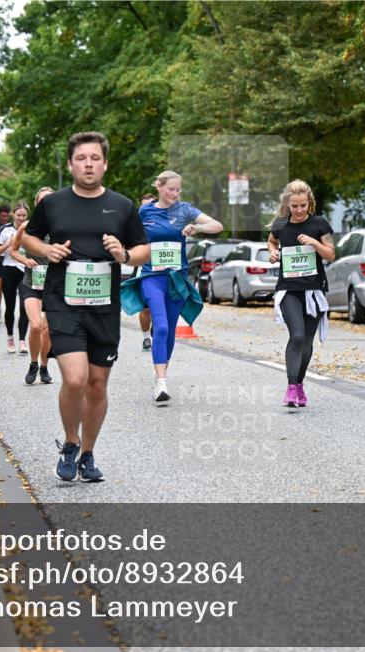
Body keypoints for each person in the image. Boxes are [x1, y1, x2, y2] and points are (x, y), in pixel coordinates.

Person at [24, 132, 149, 482]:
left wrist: (123, 254)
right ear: (70, 164)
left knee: (96, 384)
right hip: (63, 301)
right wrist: (45, 251)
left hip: (104, 306)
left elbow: (143, 250)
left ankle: (88, 454)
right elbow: (30, 237)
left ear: (105, 163)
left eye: (95, 158)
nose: (88, 163)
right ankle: (69, 442)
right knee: (76, 378)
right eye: (81, 158)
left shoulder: (123, 206)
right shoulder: (53, 204)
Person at [128, 171, 222, 402]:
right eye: (171, 189)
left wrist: (197, 228)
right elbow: (130, 234)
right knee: (159, 327)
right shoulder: (145, 211)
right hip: (152, 277)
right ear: (159, 187)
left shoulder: (185, 210)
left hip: (176, 279)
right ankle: (161, 384)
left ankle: (161, 372)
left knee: (168, 330)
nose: (175, 194)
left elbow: (217, 225)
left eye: (178, 190)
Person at [267, 180, 335, 408]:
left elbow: (331, 255)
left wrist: (315, 243)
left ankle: (299, 385)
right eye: (294, 206)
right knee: (296, 335)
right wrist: (273, 253)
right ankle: (290, 387)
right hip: (288, 289)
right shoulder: (280, 225)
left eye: (303, 206)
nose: (298, 210)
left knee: (306, 341)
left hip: (313, 290)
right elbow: (271, 241)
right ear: (288, 204)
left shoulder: (319, 224)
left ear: (309, 203)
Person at [12, 186, 55, 384]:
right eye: (42, 200)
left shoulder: (62, 227)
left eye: (50, 200)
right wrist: (24, 260)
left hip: (53, 285)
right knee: (36, 326)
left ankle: (45, 367)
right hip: (31, 283)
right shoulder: (27, 226)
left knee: (47, 329)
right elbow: (13, 251)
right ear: (37, 203)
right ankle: (33, 363)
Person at [0, 203, 30, 354]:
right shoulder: (5, 229)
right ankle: (10, 337)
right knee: (10, 306)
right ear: (13, 215)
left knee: (24, 306)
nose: (21, 218)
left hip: (25, 270)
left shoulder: (31, 228)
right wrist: (7, 244)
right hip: (8, 269)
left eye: (24, 215)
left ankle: (22, 340)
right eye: (18, 215)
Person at [137, 192, 157, 350]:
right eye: (145, 206)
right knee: (145, 308)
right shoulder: (136, 224)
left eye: (151, 204)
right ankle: (146, 337)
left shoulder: (162, 223)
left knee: (159, 305)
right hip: (144, 269)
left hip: (162, 270)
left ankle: (157, 328)